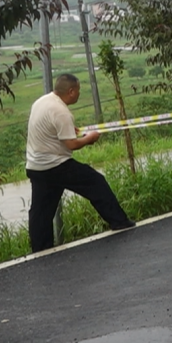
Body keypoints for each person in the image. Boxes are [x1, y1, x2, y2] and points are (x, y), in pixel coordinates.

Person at [25, 73, 136, 252]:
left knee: (41, 211)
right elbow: (71, 144)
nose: (79, 94)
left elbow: (52, 129)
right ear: (70, 91)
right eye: (78, 91)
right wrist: (89, 139)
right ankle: (119, 222)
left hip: (36, 167)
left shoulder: (42, 101)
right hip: (56, 165)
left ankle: (40, 249)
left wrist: (69, 130)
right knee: (95, 183)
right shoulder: (61, 112)